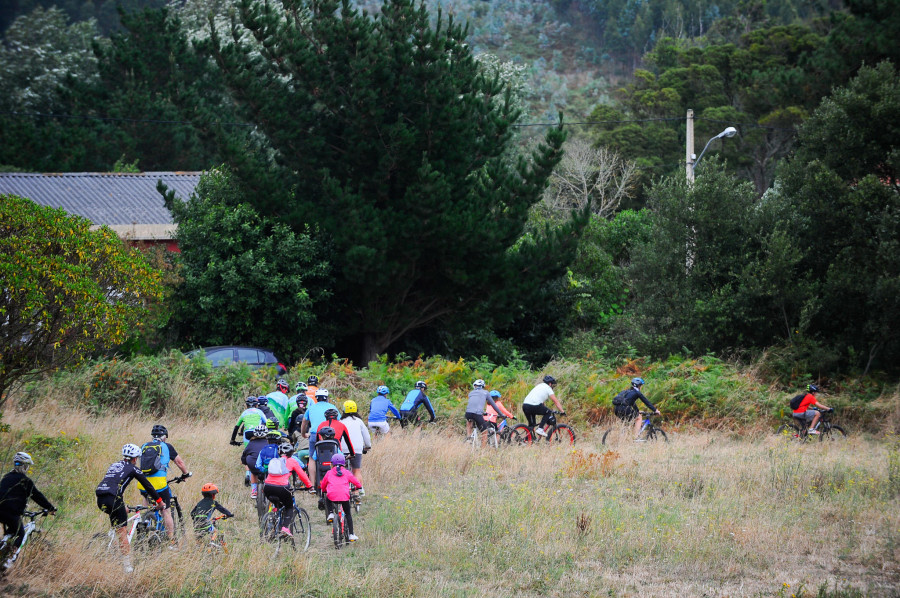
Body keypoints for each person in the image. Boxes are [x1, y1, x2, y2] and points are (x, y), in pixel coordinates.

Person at [96, 444, 163, 573]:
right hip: (113, 498)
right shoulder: (133, 468)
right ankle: (127, 567)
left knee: (119, 513)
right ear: (134, 459)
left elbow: (112, 483)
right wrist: (159, 502)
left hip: (101, 497)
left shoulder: (114, 465)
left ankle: (112, 542)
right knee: (122, 532)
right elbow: (148, 485)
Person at [0, 452, 56, 567]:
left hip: (1, 511)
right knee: (21, 534)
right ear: (25, 466)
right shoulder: (25, 481)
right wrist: (50, 508)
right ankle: (8, 560)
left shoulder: (6, 477)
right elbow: (37, 496)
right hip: (11, 513)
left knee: (11, 531)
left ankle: (4, 545)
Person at [139, 425, 191, 544]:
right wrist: (185, 474)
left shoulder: (144, 446)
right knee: (166, 511)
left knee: (146, 500)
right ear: (164, 437)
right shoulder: (167, 446)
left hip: (143, 484)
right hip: (159, 485)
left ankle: (145, 520)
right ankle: (171, 540)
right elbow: (179, 462)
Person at [262, 441, 313, 537]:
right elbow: (302, 475)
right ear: (291, 453)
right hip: (282, 487)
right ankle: (285, 528)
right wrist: (310, 486)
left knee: (277, 504)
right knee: (289, 507)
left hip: (267, 487)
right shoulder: (292, 461)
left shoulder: (274, 460)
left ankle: (272, 523)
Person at [320, 453, 362, 542]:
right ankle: (351, 534)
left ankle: (330, 513)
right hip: (344, 497)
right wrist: (359, 487)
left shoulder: (329, 473)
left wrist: (324, 490)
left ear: (331, 464)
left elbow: (323, 485)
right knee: (348, 514)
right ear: (344, 464)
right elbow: (357, 483)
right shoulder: (347, 473)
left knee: (328, 498)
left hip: (332, 496)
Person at [340, 400, 371, 496]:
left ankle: (343, 491)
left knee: (342, 470)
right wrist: (367, 446)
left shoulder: (340, 422)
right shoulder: (359, 422)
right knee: (356, 470)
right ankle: (357, 491)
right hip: (356, 449)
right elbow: (366, 436)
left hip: (343, 450)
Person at [465, 379, 504, 447]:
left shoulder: (471, 393)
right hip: (477, 414)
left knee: (469, 421)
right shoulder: (486, 393)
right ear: (482, 386)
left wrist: (482, 412)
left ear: (474, 386)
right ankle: (483, 449)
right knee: (485, 431)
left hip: (468, 413)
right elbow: (494, 405)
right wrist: (501, 414)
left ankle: (469, 438)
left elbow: (474, 403)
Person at [241, 424, 269, 499]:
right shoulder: (269, 442)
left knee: (253, 472)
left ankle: (254, 491)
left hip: (254, 465)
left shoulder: (251, 443)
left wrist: (245, 463)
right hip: (267, 465)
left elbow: (244, 454)